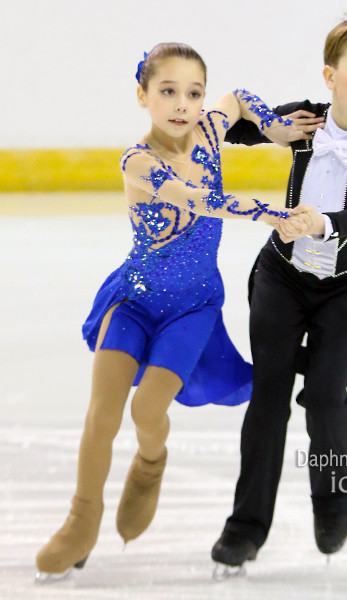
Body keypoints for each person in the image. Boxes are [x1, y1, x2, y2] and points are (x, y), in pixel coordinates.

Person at [35, 42, 320, 581]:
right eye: (167, 91)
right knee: (103, 410)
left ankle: (149, 465)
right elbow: (198, 199)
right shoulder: (139, 161)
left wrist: (273, 126)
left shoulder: (211, 131)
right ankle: (81, 520)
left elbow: (238, 99)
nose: (182, 103)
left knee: (148, 412)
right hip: (135, 298)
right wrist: (267, 210)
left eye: (193, 92)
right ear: (142, 95)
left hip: (193, 307)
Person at [211, 16, 347, 571]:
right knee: (269, 397)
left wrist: (320, 222)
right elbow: (230, 129)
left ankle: (332, 499)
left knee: (326, 395)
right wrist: (269, 127)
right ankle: (246, 526)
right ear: (331, 75)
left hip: (346, 289)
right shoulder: (305, 119)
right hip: (280, 279)